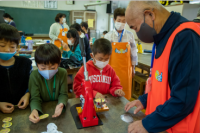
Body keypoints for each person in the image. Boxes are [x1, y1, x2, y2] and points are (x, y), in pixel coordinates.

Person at [125, 1, 200, 133]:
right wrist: (145, 100)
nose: (137, 33)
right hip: (164, 126)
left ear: (150, 14)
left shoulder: (185, 37)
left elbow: (184, 99)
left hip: (180, 128)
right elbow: (164, 85)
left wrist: (149, 124)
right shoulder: (163, 38)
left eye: (135, 27)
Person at [29, 44, 68, 123]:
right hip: (43, 109)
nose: (48, 71)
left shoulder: (62, 73)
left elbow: (63, 94)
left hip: (57, 110)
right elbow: (35, 98)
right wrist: (35, 110)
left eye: (53, 68)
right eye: (43, 68)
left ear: (59, 62)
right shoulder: (34, 76)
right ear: (37, 64)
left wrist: (61, 104)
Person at [104, 8, 138, 100]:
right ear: (114, 20)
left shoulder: (130, 35)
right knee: (112, 92)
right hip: (112, 70)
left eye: (124, 21)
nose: (121, 23)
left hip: (126, 71)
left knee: (125, 93)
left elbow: (134, 52)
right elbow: (104, 54)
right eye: (119, 20)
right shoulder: (108, 36)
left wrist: (133, 68)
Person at [0, 23, 32, 113]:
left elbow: (32, 83)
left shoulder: (25, 63)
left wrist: (28, 94)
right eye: (2, 46)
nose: (7, 50)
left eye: (12, 46)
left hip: (23, 109)